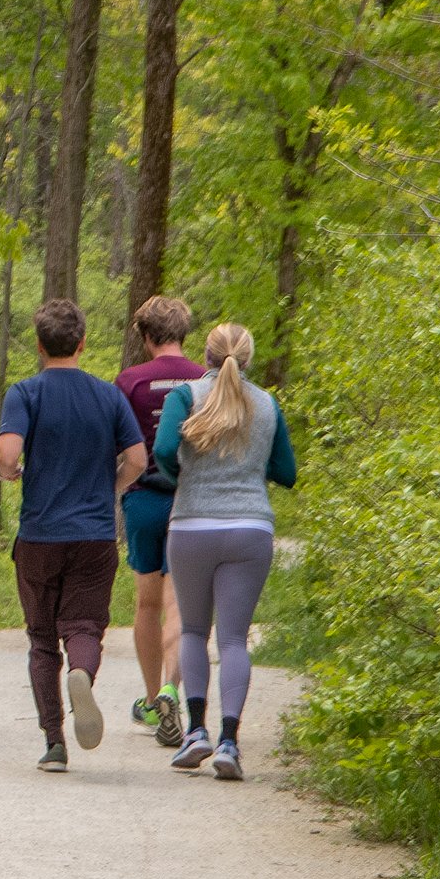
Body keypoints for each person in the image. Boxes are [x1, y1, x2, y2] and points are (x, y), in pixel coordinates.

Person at [0, 298, 145, 772]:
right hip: (94, 536)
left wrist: (12, 472)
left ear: (39, 346)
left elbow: (6, 454)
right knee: (84, 627)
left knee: (41, 640)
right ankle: (81, 673)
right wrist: (111, 488)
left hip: (39, 534)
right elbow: (138, 460)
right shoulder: (108, 396)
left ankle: (55, 743)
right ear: (82, 343)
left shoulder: (26, 393)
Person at [156, 321, 297, 782]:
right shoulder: (267, 404)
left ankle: (195, 733)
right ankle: (230, 742)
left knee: (194, 630)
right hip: (249, 527)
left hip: (192, 525)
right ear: (248, 357)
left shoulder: (185, 398)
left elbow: (160, 449)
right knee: (234, 638)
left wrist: (185, 481)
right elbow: (287, 471)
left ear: (207, 355)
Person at [115, 295, 205, 747]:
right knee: (180, 606)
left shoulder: (129, 381)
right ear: (183, 334)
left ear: (145, 336)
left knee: (147, 604)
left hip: (144, 499)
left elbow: (119, 443)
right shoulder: (206, 379)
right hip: (190, 499)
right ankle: (174, 690)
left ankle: (153, 701)